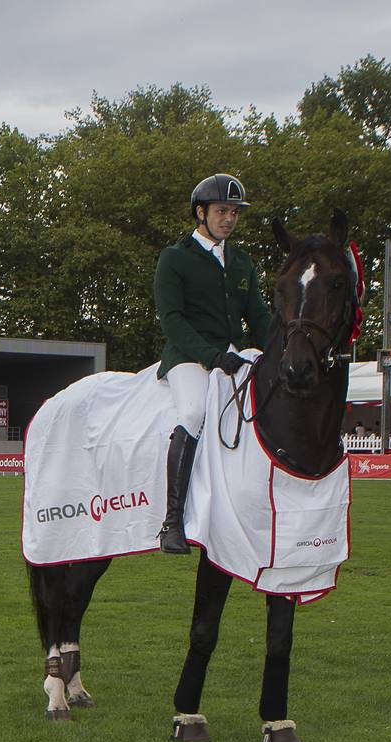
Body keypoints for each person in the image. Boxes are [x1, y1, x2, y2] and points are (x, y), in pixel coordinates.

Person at [153, 174, 272, 553]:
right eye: (222, 211)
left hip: (232, 355)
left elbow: (261, 317)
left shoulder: (241, 261)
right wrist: (211, 356)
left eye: (234, 213)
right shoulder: (175, 258)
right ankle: (172, 521)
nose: (229, 219)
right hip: (188, 358)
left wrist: (282, 350)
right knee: (192, 413)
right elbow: (172, 320)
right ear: (201, 213)